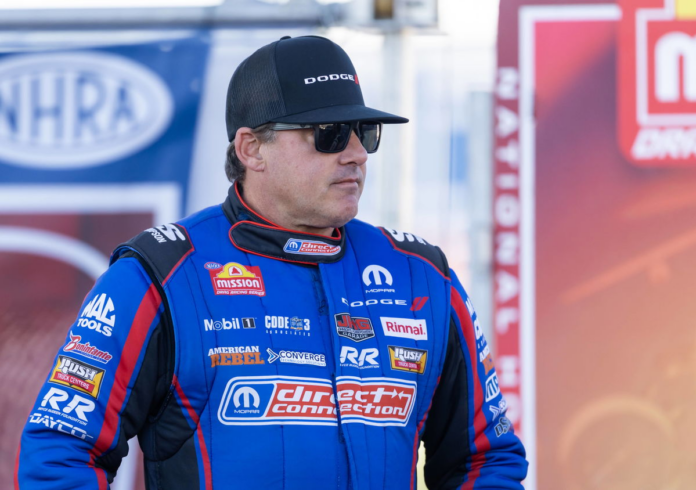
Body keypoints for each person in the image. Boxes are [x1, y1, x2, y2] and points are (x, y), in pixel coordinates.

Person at [16, 35, 527, 489]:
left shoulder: (422, 276)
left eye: (365, 131)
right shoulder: (159, 275)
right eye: (329, 133)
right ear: (251, 148)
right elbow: (60, 452)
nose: (356, 153)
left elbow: (486, 459)